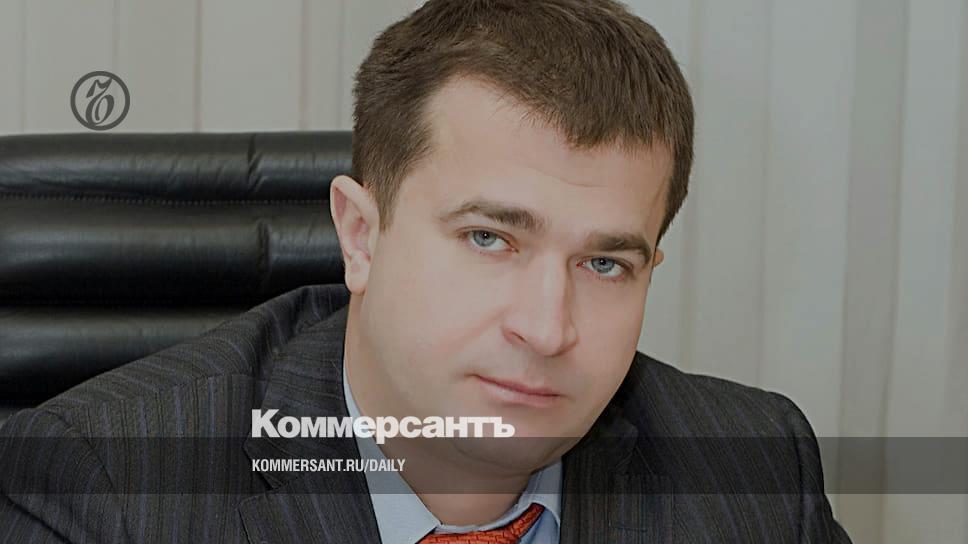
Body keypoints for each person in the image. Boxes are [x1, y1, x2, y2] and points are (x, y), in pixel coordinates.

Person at [0, 0, 851, 542]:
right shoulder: (107, 485)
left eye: (604, 262)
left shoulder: (755, 472)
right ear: (360, 236)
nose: (547, 328)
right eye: (490, 239)